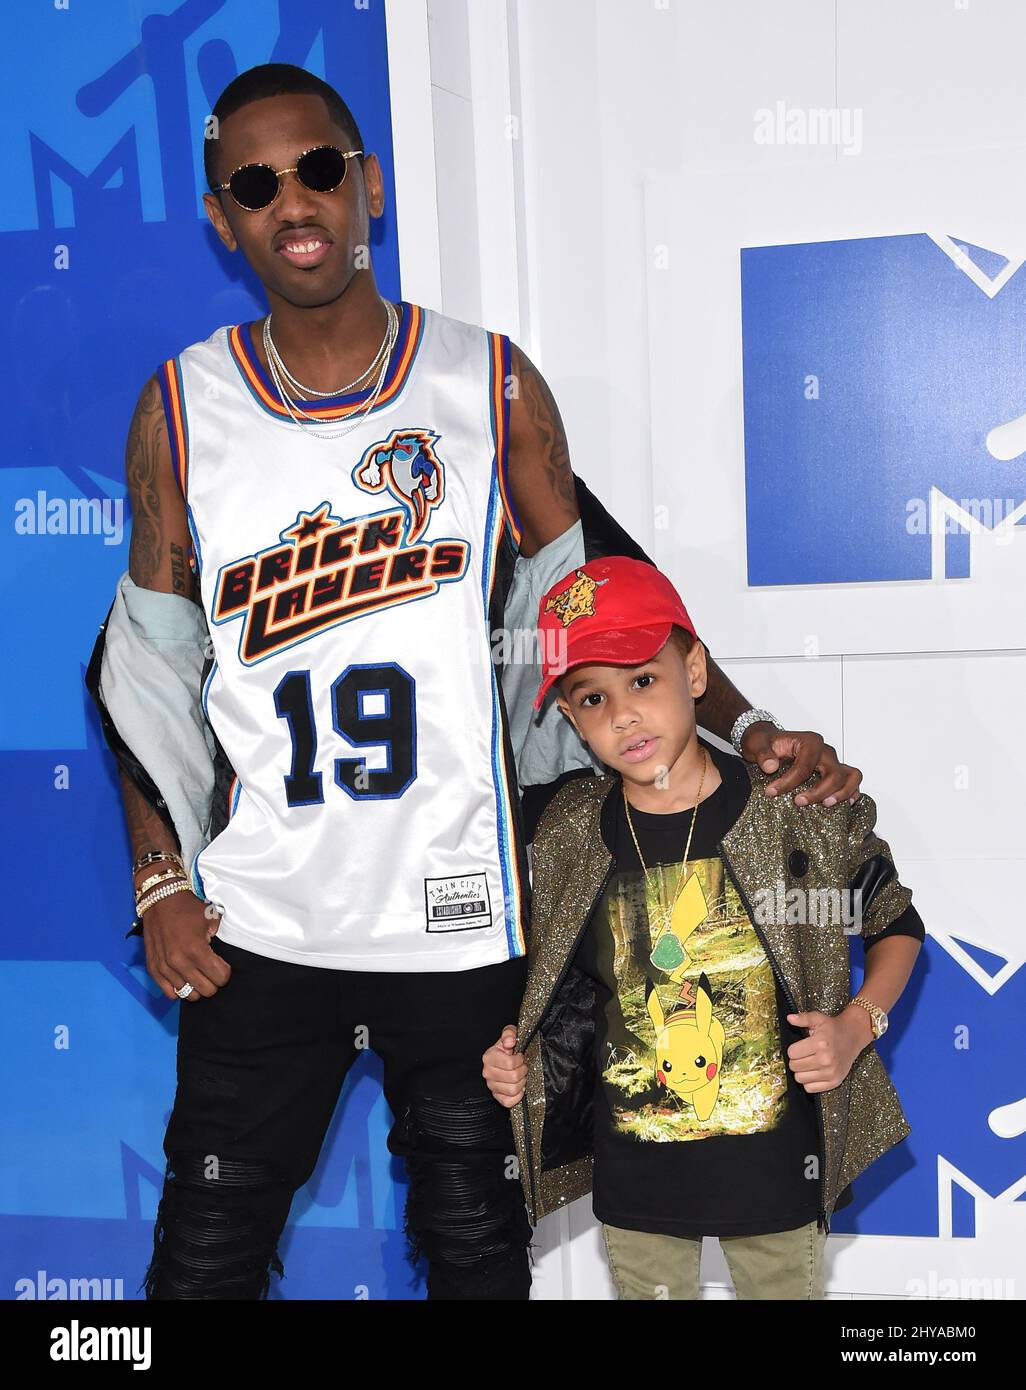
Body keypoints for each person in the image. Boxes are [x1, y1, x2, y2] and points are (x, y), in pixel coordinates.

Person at [85, 61, 867, 1301]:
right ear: (221, 216)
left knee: (476, 1258)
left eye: (320, 168)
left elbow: (609, 598)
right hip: (262, 925)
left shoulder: (486, 385)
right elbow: (148, 667)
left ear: (369, 186)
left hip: (462, 917)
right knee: (202, 1263)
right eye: (255, 180)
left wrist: (748, 721)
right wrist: (160, 876)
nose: (295, 199)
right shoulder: (182, 411)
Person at [482, 556, 924, 1300]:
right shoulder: (563, 832)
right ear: (568, 716)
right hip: (637, 1176)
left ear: (694, 670)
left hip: (778, 1168)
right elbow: (551, 984)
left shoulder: (795, 807)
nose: (622, 714)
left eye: (643, 680)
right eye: (591, 697)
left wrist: (857, 1025)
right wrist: (515, 1061)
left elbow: (894, 921)